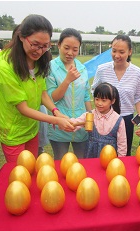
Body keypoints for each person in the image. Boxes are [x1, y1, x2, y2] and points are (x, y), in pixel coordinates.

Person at [0, 14, 74, 164]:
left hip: (31, 128)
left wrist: (56, 111)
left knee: (32, 170)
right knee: (19, 177)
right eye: (35, 44)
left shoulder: (40, 59)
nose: (39, 50)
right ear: (22, 37)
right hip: (13, 131)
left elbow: (42, 92)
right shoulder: (4, 66)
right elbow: (22, 108)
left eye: (45, 45)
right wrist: (55, 120)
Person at [92, 34, 140, 156]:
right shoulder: (102, 69)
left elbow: (138, 97)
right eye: (114, 51)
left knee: (123, 153)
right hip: (105, 118)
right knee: (103, 153)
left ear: (130, 52)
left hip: (126, 119)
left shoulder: (137, 73)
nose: (117, 55)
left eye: (121, 52)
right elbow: (94, 90)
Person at [47, 28, 92, 158]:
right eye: (66, 48)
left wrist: (90, 118)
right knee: (61, 163)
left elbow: (86, 96)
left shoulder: (82, 68)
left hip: (80, 125)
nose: (70, 53)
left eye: (75, 49)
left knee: (82, 162)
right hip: (60, 124)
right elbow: (52, 98)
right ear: (59, 45)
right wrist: (67, 80)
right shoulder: (50, 67)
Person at [70, 83, 127, 157]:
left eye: (103, 100)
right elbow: (75, 123)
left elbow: (122, 143)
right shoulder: (89, 115)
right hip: (91, 156)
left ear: (112, 101)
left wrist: (120, 159)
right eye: (97, 99)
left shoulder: (118, 119)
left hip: (110, 157)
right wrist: (66, 122)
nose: (99, 103)